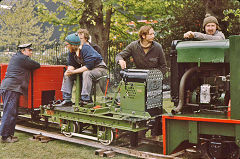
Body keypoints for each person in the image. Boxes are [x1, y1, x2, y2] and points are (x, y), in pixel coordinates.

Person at [0, 43, 40, 143]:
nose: (31, 52)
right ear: (23, 51)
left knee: (11, 112)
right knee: (9, 112)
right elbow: (36, 65)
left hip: (10, 87)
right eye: (29, 50)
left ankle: (9, 135)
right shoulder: (23, 59)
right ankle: (5, 137)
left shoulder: (17, 57)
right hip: (11, 88)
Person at [58, 30, 107, 106]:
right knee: (67, 74)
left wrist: (73, 72)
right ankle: (67, 99)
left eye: (67, 44)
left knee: (87, 73)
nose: (66, 46)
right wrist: (69, 71)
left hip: (99, 69)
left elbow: (89, 66)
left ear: (73, 44)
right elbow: (71, 64)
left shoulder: (86, 48)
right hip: (88, 69)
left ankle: (85, 99)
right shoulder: (72, 51)